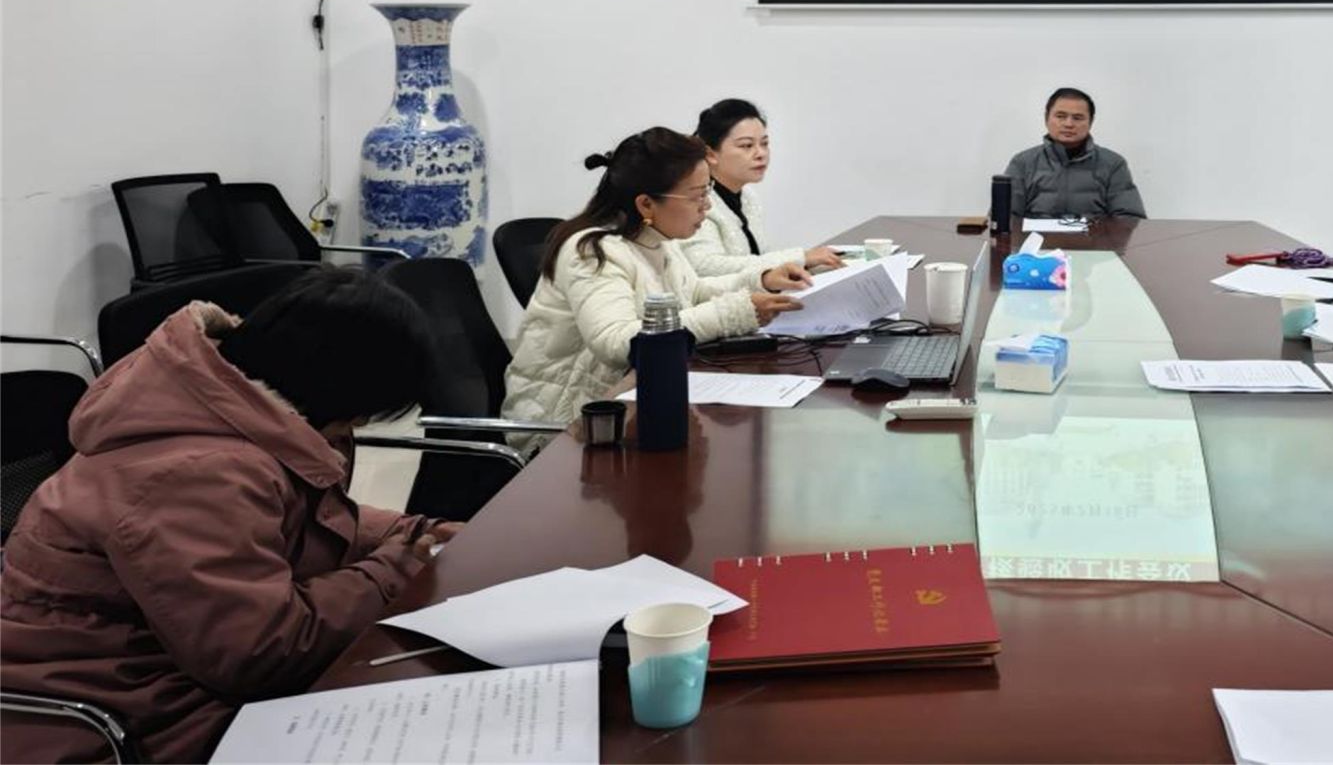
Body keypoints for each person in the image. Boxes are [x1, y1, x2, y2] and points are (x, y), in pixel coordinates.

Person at [0, 269, 460, 764]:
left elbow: (295, 521)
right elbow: (260, 654)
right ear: (335, 387)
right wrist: (397, 567)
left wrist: (408, 533)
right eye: (360, 412)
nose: (360, 424)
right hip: (112, 718)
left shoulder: (233, 409)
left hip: (167, 676)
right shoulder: (194, 474)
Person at [504, 127, 808, 424]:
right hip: (569, 423)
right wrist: (731, 313)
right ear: (646, 203)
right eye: (698, 195)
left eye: (708, 190)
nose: (707, 206)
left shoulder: (656, 237)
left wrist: (762, 280)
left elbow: (693, 292)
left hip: (627, 401)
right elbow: (617, 342)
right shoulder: (593, 251)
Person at [680, 97, 844, 279]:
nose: (761, 154)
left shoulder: (748, 196)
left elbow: (760, 260)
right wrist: (800, 258)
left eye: (764, 143)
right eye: (747, 145)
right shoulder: (697, 201)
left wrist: (811, 266)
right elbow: (705, 267)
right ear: (710, 154)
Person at [1003, 86, 1146, 220]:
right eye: (1060, 116)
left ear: (1090, 122)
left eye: (1077, 118)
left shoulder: (1113, 164)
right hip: (1037, 238)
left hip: (1094, 238)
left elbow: (1130, 219)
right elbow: (1005, 217)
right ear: (1046, 119)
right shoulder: (1023, 163)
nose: (1069, 124)